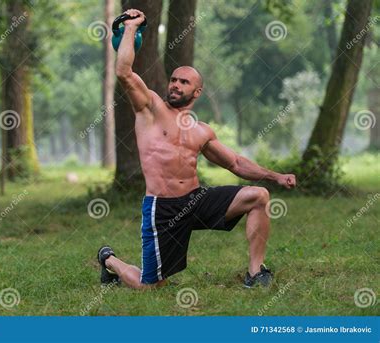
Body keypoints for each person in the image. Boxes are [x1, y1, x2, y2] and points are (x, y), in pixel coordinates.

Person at [97, 9, 296, 289]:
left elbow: (236, 164)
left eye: (184, 82)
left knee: (259, 196)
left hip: (194, 200)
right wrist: (130, 28)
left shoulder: (201, 131)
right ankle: (110, 260)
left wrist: (275, 177)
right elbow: (124, 72)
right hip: (162, 208)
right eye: (174, 80)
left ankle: (256, 272)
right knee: (151, 286)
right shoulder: (150, 108)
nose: (176, 85)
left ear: (197, 92)